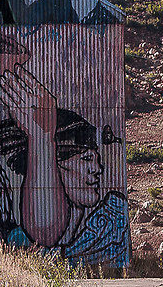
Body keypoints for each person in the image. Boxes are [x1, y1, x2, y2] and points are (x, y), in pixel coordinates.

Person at [54, 110, 130, 268]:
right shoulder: (21, 237)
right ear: (55, 165)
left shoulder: (112, 223)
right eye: (87, 159)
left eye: (96, 159)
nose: (97, 169)